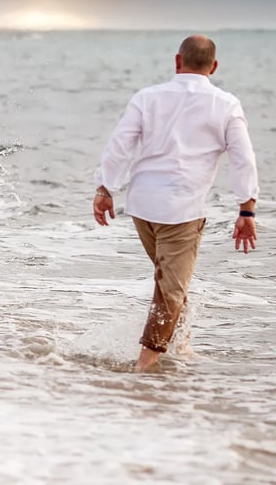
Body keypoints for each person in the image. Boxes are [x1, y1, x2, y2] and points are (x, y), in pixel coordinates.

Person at [93, 35, 259, 372]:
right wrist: (246, 208)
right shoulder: (226, 103)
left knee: (168, 280)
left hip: (141, 206)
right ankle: (146, 364)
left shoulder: (147, 97)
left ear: (177, 61)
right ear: (213, 67)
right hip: (182, 211)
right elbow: (243, 159)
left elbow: (120, 144)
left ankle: (180, 344)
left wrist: (105, 188)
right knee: (171, 287)